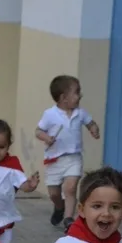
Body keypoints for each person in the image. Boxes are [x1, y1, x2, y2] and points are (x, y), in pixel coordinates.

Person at [36, 75, 100, 231]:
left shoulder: (81, 113)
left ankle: (68, 219)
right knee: (54, 193)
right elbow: (38, 131)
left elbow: (91, 123)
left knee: (70, 188)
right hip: (54, 159)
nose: (80, 95)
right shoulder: (50, 114)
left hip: (73, 157)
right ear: (63, 98)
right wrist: (46, 138)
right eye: (77, 92)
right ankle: (59, 207)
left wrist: (94, 129)